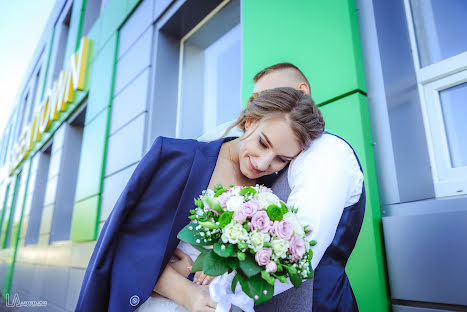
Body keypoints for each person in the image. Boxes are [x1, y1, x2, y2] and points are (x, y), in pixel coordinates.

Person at [75, 87, 325, 312]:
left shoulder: (270, 201)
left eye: (281, 159)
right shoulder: (176, 156)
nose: (263, 163)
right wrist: (189, 292)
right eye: (262, 143)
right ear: (249, 121)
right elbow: (127, 247)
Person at [197, 63, 365, 311]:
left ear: (302, 93)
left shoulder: (327, 153)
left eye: (264, 96)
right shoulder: (279, 159)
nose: (257, 106)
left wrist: (215, 291)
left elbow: (299, 249)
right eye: (254, 100)